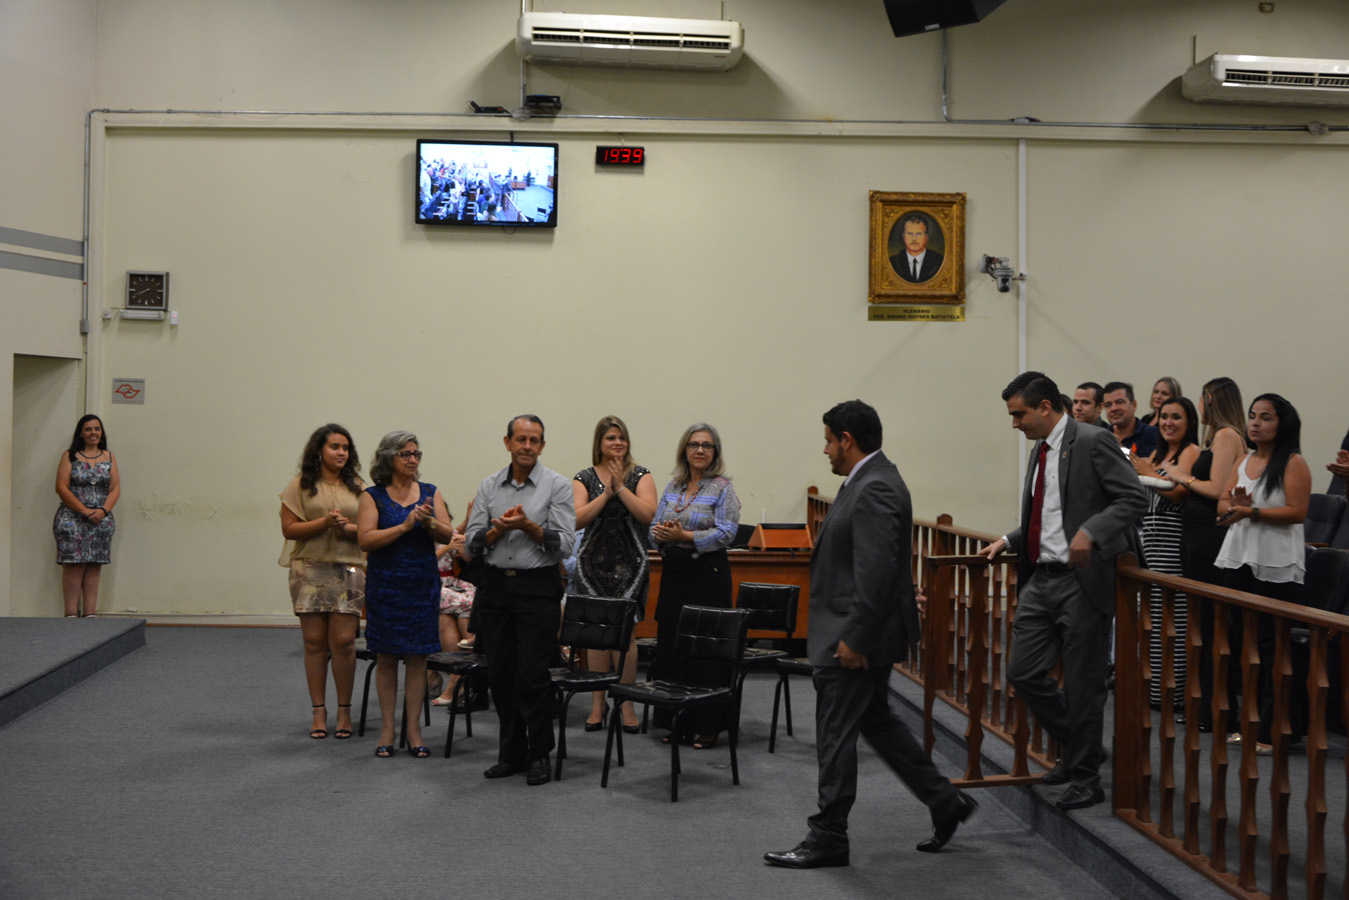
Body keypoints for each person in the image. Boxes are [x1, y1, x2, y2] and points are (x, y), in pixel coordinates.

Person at [764, 401, 975, 870]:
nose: (825, 450)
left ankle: (828, 837)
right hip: (859, 631)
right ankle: (945, 802)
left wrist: (855, 637)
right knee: (877, 722)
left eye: (827, 440)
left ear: (847, 439)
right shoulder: (867, 480)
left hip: (854, 638)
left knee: (835, 734)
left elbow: (876, 570)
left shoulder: (875, 485)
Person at [979, 372, 1147, 810]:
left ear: (1045, 408)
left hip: (1081, 580)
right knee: (1022, 671)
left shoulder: (1093, 440)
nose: (1014, 423)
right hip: (1041, 578)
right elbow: (1048, 514)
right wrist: (1010, 540)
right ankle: (1079, 749)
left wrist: (1092, 531)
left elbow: (1132, 499)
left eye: (1019, 414)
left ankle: (1086, 777)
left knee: (1084, 684)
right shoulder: (1042, 448)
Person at [466, 415, 577, 786]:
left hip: (537, 589)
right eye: (521, 439)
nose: (527, 446)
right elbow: (471, 543)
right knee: (500, 675)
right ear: (507, 442)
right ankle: (511, 754)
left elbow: (565, 543)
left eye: (534, 440)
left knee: (532, 675)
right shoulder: (488, 486)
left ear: (542, 446)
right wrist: (497, 530)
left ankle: (540, 754)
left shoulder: (557, 485)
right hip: (496, 589)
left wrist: (529, 526)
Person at [1214, 394, 1310, 754]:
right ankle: (1248, 722)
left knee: (1273, 649)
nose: (1255, 423)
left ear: (1282, 424)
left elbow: (1297, 511)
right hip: (1240, 558)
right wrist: (1235, 508)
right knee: (1244, 644)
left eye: (1265, 417)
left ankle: (1275, 730)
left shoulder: (1293, 462)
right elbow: (1224, 502)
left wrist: (1251, 513)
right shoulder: (1244, 459)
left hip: (1275, 564)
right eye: (1252, 416)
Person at [356, 431, 453, 759]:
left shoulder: (430, 492)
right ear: (388, 459)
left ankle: (413, 729)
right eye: (405, 454)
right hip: (386, 586)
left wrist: (427, 523)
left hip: (421, 585)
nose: (413, 460)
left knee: (417, 658)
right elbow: (366, 540)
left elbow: (449, 534)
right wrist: (404, 525)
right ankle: (387, 728)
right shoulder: (373, 496)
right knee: (385, 657)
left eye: (416, 454)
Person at [649, 423, 741, 750]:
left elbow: (728, 532)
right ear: (684, 450)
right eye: (693, 445)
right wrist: (663, 533)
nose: (700, 450)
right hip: (675, 574)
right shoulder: (673, 486)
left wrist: (685, 536)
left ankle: (708, 724)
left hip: (708, 573)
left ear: (715, 453)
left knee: (706, 650)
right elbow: (653, 529)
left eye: (707, 446)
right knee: (673, 646)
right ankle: (678, 721)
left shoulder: (723, 488)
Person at [1164, 377, 1246, 731]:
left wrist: (1181, 475)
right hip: (1195, 534)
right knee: (1200, 623)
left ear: (1210, 399)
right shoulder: (1217, 437)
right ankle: (1203, 704)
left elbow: (1217, 489)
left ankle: (1217, 709)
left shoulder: (1228, 435)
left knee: (1210, 623)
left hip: (1210, 537)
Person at [279, 424, 366, 741]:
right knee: (314, 642)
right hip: (310, 569)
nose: (341, 452)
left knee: (343, 643)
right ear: (319, 450)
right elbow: (289, 529)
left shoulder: (358, 486)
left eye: (345, 447)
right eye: (334, 447)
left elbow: (369, 530)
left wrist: (346, 528)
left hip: (350, 568)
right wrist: (324, 523)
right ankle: (319, 711)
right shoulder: (300, 485)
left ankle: (344, 710)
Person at [572, 415, 657, 734]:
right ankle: (597, 704)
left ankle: (626, 702)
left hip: (631, 565)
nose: (617, 443)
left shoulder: (641, 474)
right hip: (592, 566)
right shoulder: (583, 477)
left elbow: (648, 514)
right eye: (610, 438)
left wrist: (621, 488)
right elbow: (577, 519)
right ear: (600, 443)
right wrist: (605, 494)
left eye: (621, 437)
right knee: (596, 635)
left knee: (625, 634)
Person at [1131, 398, 1200, 709]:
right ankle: (1150, 690)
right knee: (1149, 622)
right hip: (1148, 544)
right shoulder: (1157, 453)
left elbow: (1182, 492)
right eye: (1164, 416)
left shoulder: (1191, 452)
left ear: (1190, 422)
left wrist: (1147, 471)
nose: (1169, 422)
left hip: (1172, 547)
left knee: (1171, 622)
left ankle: (1171, 695)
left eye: (1177, 417)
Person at [53, 414, 120, 618]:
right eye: (88, 429)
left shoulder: (109, 457)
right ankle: (71, 614)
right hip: (72, 519)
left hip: (101, 519)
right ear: (81, 433)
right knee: (74, 565)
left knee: (94, 565)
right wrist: (83, 510)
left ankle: (91, 615)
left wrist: (102, 511)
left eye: (97, 429)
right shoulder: (69, 456)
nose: (93, 433)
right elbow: (61, 488)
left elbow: (115, 488)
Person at [1102, 381, 1161, 459]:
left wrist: (1120, 447)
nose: (1114, 408)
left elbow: (1143, 468)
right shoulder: (1102, 436)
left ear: (1134, 405)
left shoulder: (1152, 434)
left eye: (1119, 402)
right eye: (1108, 405)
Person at [890, 214, 944, 283]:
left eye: (918, 234)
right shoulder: (893, 262)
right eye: (910, 234)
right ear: (903, 236)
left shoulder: (939, 261)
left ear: (926, 237)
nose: (914, 239)